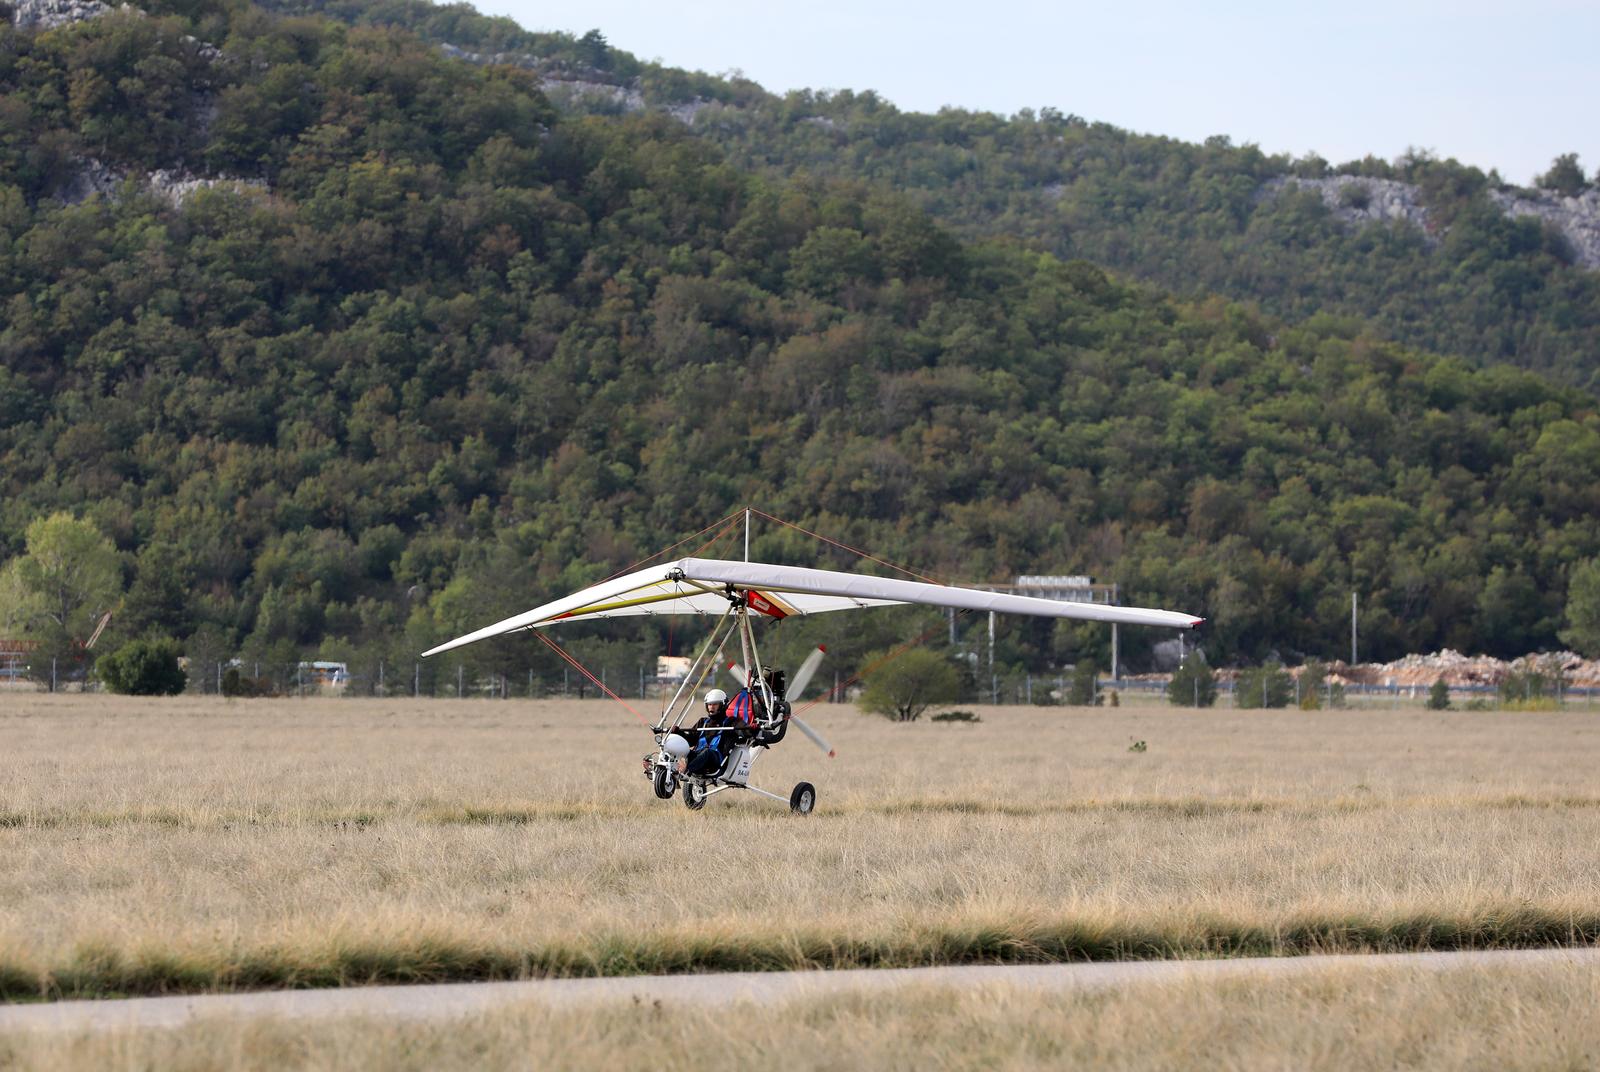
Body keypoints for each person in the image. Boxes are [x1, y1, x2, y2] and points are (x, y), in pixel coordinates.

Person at [679, 687, 753, 779]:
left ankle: (686, 772)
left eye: (715, 704)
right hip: (698, 757)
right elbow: (690, 741)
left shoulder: (731, 722)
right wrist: (678, 732)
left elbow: (744, 730)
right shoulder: (703, 722)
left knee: (707, 752)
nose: (711, 707)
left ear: (723, 705)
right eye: (709, 704)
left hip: (715, 762)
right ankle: (668, 773)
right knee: (683, 751)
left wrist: (750, 729)